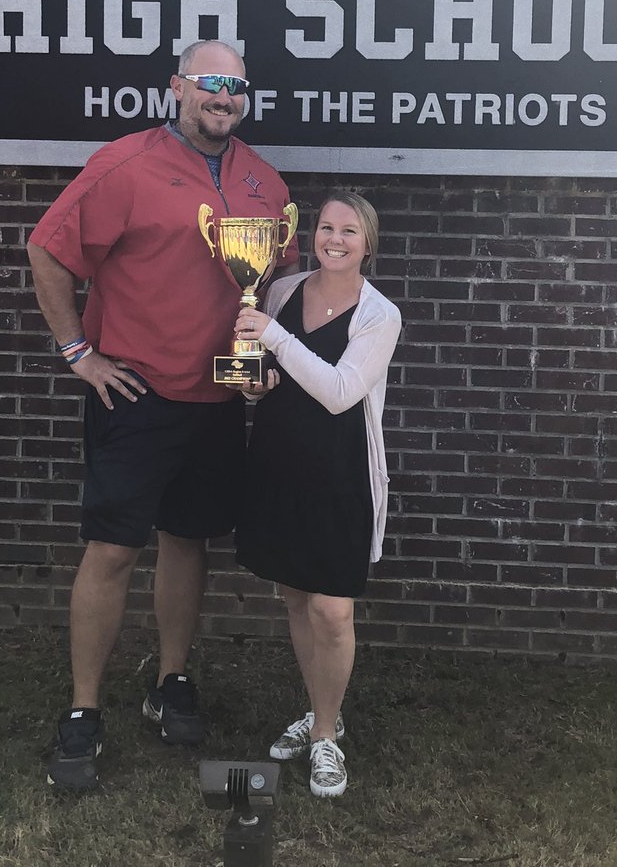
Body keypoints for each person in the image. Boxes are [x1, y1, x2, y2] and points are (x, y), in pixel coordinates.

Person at [26, 40, 298, 791]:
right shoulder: (126, 164)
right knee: (112, 550)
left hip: (217, 398)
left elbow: (275, 286)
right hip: (135, 393)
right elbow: (48, 250)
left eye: (237, 87)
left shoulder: (263, 182)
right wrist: (78, 350)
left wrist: (266, 362)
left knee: (188, 542)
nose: (224, 97)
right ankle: (84, 710)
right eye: (211, 83)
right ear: (177, 86)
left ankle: (170, 681)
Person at [231, 191, 401, 799]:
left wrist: (274, 337)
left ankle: (327, 736)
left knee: (333, 608)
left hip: (340, 472)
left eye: (348, 230)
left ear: (367, 243)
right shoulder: (282, 289)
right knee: (297, 598)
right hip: (280, 463)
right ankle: (316, 712)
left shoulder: (380, 314)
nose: (335, 238)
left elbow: (338, 392)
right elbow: (270, 377)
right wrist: (255, 382)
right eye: (327, 227)